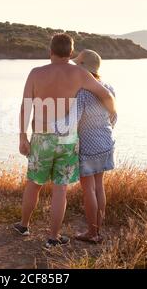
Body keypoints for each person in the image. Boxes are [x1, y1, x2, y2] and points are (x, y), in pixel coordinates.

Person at [13, 33, 117, 249]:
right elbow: (105, 94)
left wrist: (22, 136)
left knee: (34, 184)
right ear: (70, 53)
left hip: (42, 137)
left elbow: (26, 106)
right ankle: (53, 237)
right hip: (68, 138)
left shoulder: (36, 73)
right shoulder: (79, 73)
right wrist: (113, 113)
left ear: (49, 51)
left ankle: (24, 225)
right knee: (60, 189)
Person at [72, 49, 117, 244]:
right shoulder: (108, 87)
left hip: (87, 147)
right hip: (105, 143)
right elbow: (113, 118)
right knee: (99, 187)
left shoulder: (81, 92)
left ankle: (92, 232)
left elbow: (74, 122)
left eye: (77, 65)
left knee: (88, 189)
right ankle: (98, 230)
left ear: (83, 68)